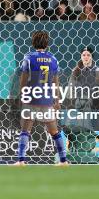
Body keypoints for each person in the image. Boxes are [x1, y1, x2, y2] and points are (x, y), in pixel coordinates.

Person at [16, 31, 68, 166]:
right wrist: (56, 100)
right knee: (54, 131)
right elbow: (55, 82)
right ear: (47, 44)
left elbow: (23, 80)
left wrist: (21, 95)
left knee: (25, 130)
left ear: (33, 43)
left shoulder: (28, 58)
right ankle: (63, 160)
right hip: (46, 99)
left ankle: (21, 161)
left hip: (32, 97)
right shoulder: (53, 59)